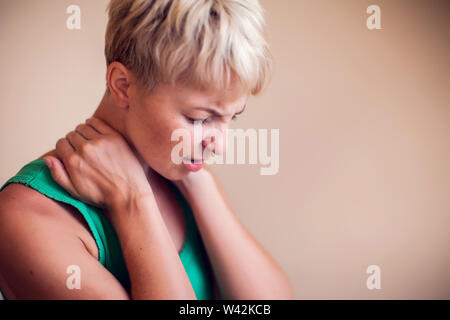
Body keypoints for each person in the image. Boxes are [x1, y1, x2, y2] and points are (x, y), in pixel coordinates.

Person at [0, 0, 294, 299]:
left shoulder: (182, 172)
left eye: (234, 116)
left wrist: (199, 184)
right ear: (123, 86)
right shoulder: (23, 218)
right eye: (200, 119)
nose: (221, 146)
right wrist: (132, 201)